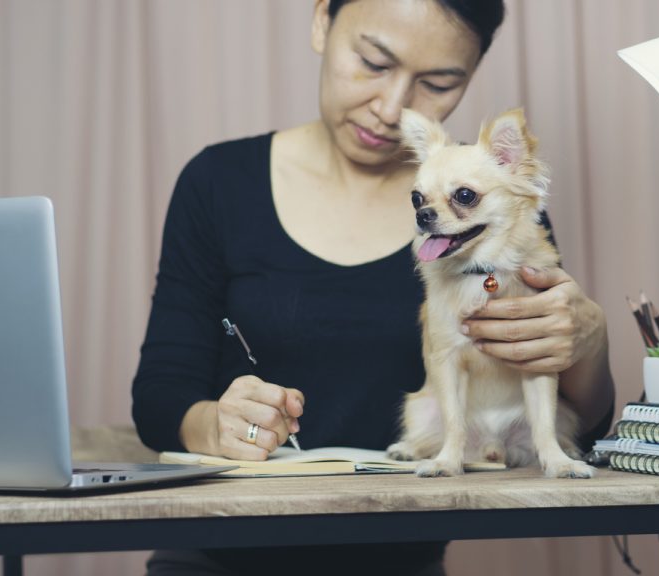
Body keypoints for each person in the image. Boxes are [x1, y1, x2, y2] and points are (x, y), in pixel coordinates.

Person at [132, 0, 615, 574]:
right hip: (216, 556)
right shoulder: (217, 184)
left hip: (400, 560)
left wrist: (587, 343)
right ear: (320, 24)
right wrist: (217, 424)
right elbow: (159, 400)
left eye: (437, 82)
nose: (392, 108)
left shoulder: (495, 204)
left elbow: (574, 421)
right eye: (372, 62)